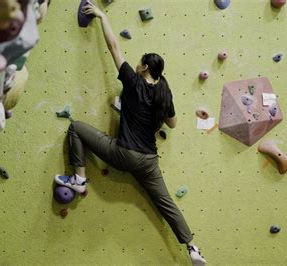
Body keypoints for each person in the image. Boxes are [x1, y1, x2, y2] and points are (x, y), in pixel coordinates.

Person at [54, 1, 207, 265]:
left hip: (124, 153)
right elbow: (173, 124)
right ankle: (193, 249)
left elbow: (114, 47)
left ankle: (79, 180)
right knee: (168, 205)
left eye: (140, 63)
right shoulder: (163, 91)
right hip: (148, 162)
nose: (136, 65)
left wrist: (102, 16)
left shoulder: (134, 81)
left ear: (145, 67)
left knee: (76, 128)